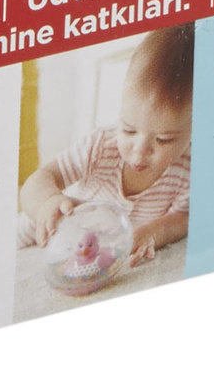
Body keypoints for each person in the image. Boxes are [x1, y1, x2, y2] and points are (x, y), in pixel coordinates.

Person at [19, 26, 192, 262]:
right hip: (45, 229)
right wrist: (45, 203)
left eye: (163, 139)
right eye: (129, 130)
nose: (139, 152)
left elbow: (182, 218)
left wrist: (153, 232)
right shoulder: (100, 147)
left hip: (97, 251)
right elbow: (38, 180)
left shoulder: (188, 169)